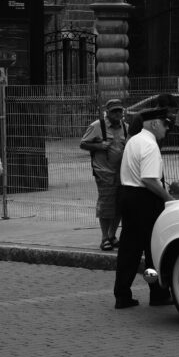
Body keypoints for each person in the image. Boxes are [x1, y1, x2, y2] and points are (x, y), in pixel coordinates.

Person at [114, 107, 174, 309]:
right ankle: (158, 294)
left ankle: (122, 294)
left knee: (129, 249)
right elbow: (149, 179)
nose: (168, 128)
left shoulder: (134, 140)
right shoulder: (149, 145)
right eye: (166, 123)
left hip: (128, 196)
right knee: (153, 249)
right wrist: (168, 198)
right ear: (155, 123)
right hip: (145, 200)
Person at [80, 98, 127, 251]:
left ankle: (112, 235)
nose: (117, 114)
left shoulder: (125, 127)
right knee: (106, 206)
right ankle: (104, 238)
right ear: (107, 112)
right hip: (104, 172)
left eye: (119, 111)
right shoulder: (97, 126)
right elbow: (83, 144)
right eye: (114, 111)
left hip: (122, 174)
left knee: (119, 206)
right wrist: (99, 146)